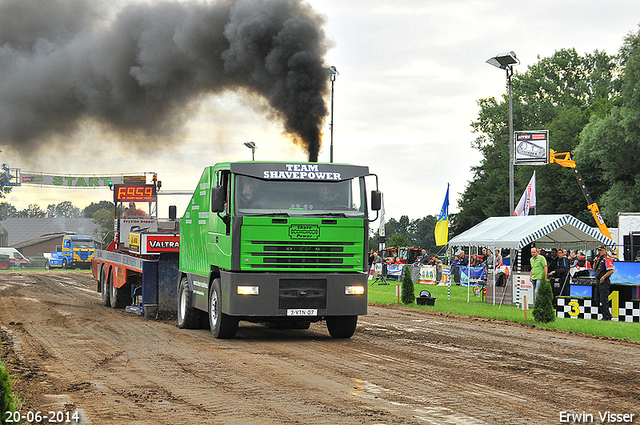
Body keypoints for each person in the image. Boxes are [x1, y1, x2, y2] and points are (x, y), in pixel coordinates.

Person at [592, 244, 614, 321]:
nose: (599, 252)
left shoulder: (607, 258)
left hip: (604, 281)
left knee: (603, 299)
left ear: (605, 250)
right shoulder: (599, 258)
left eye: (601, 250)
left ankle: (607, 316)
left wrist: (603, 277)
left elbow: (611, 270)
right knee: (597, 299)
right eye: (598, 250)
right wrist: (595, 262)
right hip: (598, 281)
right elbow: (594, 269)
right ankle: (605, 314)